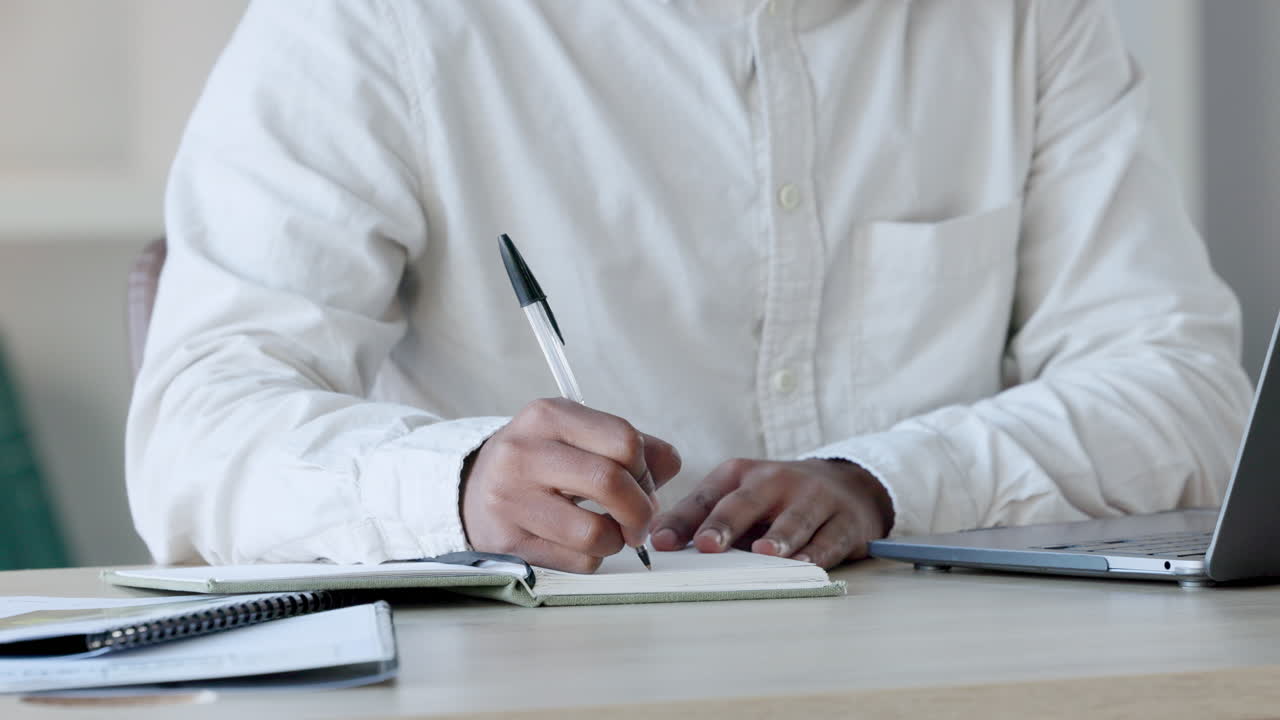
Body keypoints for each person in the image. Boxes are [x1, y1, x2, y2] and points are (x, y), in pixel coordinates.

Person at [126, 1, 1253, 572]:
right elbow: (198, 423)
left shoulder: (1025, 18)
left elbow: (1184, 390)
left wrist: (887, 481)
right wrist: (459, 485)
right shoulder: (376, 23)